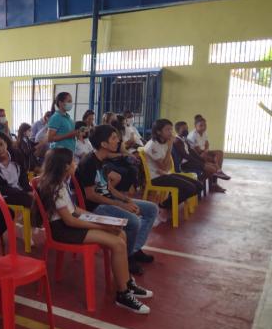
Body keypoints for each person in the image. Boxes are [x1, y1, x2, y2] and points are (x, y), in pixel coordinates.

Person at [34, 148, 152, 313]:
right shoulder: (56, 187)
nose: (75, 163)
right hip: (63, 230)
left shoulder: (61, 181)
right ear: (66, 166)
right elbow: (70, 220)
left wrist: (100, 219)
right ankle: (123, 294)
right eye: (73, 161)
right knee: (117, 243)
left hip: (70, 223)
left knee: (121, 233)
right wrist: (102, 226)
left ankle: (126, 283)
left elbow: (75, 209)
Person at [76, 125, 159, 275]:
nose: (118, 141)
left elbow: (106, 187)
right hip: (94, 207)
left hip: (103, 199)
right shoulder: (88, 162)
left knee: (151, 209)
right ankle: (126, 258)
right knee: (133, 221)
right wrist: (119, 204)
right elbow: (90, 195)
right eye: (114, 138)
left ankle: (133, 250)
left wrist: (125, 199)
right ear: (104, 144)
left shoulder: (100, 159)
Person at [144, 119, 203, 220]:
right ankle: (163, 206)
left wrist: (168, 147)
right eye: (167, 130)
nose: (171, 132)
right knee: (190, 188)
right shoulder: (152, 145)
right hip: (156, 178)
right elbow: (164, 166)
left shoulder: (164, 142)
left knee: (198, 186)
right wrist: (170, 146)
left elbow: (167, 167)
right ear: (158, 132)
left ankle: (167, 205)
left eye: (171, 129)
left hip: (165, 174)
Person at [0, 131, 32, 208]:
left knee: (43, 193)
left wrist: (29, 191)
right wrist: (23, 193)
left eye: (1, 144)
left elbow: (23, 176)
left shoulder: (17, 155)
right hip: (3, 197)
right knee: (27, 199)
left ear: (6, 143)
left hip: (22, 191)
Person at [173, 121, 225, 193]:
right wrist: (199, 162)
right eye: (184, 128)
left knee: (214, 166)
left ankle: (200, 182)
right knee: (212, 169)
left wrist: (201, 160)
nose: (186, 130)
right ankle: (197, 182)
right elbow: (185, 155)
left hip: (190, 162)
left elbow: (191, 151)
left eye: (187, 128)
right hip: (185, 164)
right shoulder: (177, 141)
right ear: (178, 130)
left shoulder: (184, 139)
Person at [188, 116, 230, 181]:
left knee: (220, 152)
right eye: (201, 125)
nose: (203, 127)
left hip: (204, 151)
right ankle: (218, 172)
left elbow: (207, 143)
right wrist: (205, 151)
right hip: (196, 154)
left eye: (205, 125)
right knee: (211, 158)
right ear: (195, 126)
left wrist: (206, 150)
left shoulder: (204, 132)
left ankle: (218, 172)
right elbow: (197, 150)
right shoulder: (193, 135)